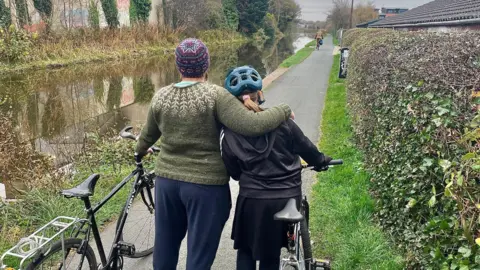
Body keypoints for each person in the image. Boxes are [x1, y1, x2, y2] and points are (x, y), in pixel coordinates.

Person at [135, 39, 294, 270]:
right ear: (206, 65)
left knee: (165, 248)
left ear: (179, 66)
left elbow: (147, 137)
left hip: (167, 184)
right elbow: (252, 125)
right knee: (199, 255)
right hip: (205, 187)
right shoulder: (215, 95)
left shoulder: (161, 96)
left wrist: (139, 151)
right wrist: (283, 110)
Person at [220, 66, 332, 270]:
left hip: (251, 200)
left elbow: (234, 173)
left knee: (245, 251)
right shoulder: (284, 123)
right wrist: (322, 161)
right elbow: (308, 150)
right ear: (259, 94)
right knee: (270, 255)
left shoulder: (229, 133)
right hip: (286, 197)